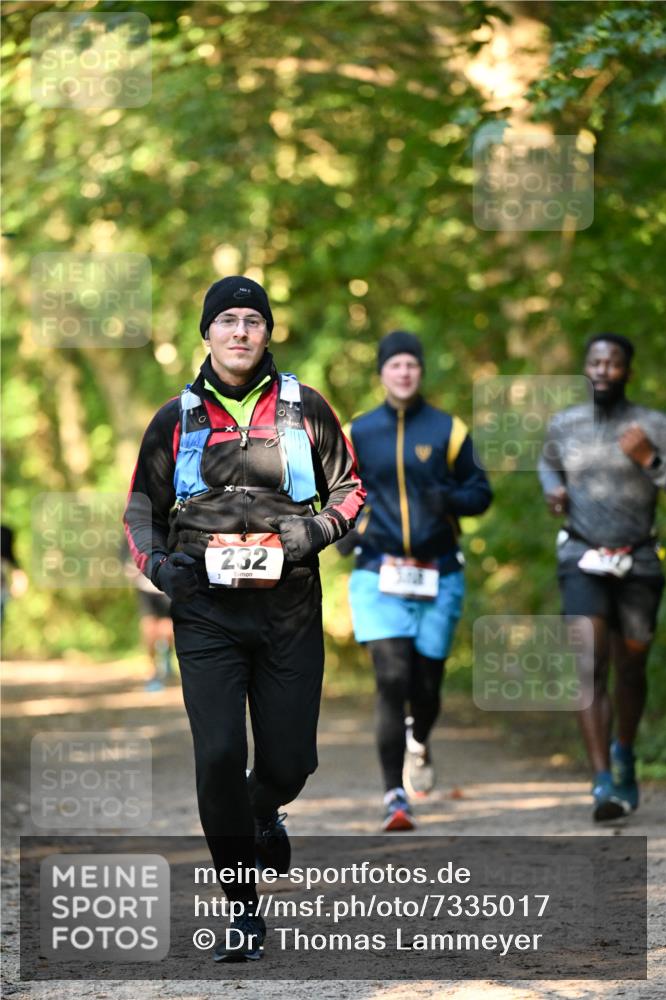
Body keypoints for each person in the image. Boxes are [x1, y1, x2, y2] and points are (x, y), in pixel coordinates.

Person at [124, 275, 365, 961]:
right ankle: (242, 910)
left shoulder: (304, 407)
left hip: (288, 608)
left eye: (250, 321)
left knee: (290, 762)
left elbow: (349, 492)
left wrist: (309, 534)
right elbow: (141, 507)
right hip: (205, 613)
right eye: (225, 320)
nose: (238, 332)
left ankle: (265, 811)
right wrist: (161, 568)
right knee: (220, 757)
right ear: (207, 333)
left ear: (266, 332)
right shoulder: (175, 418)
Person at [340, 331, 492, 831]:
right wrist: (345, 531)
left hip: (439, 572)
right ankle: (394, 796)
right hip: (377, 571)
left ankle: (419, 741)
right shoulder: (358, 431)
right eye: (395, 364)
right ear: (382, 372)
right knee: (390, 679)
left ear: (420, 371)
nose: (403, 372)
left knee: (426, 685)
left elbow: (480, 493)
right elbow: (333, 489)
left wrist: (446, 498)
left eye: (411, 364)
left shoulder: (448, 430)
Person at [538, 333, 666, 822]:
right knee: (588, 666)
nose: (603, 370)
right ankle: (602, 782)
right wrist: (554, 492)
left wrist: (649, 461)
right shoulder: (565, 423)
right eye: (595, 361)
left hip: (639, 559)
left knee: (631, 666)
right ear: (585, 368)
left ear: (627, 372)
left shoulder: (653, 424)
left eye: (614, 363)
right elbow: (548, 465)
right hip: (582, 553)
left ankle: (626, 754)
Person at [123, 552, 175, 691]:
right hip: (145, 588)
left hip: (167, 588)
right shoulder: (133, 531)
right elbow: (124, 554)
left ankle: (167, 656)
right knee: (149, 630)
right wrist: (129, 568)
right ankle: (153, 672)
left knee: (168, 631)